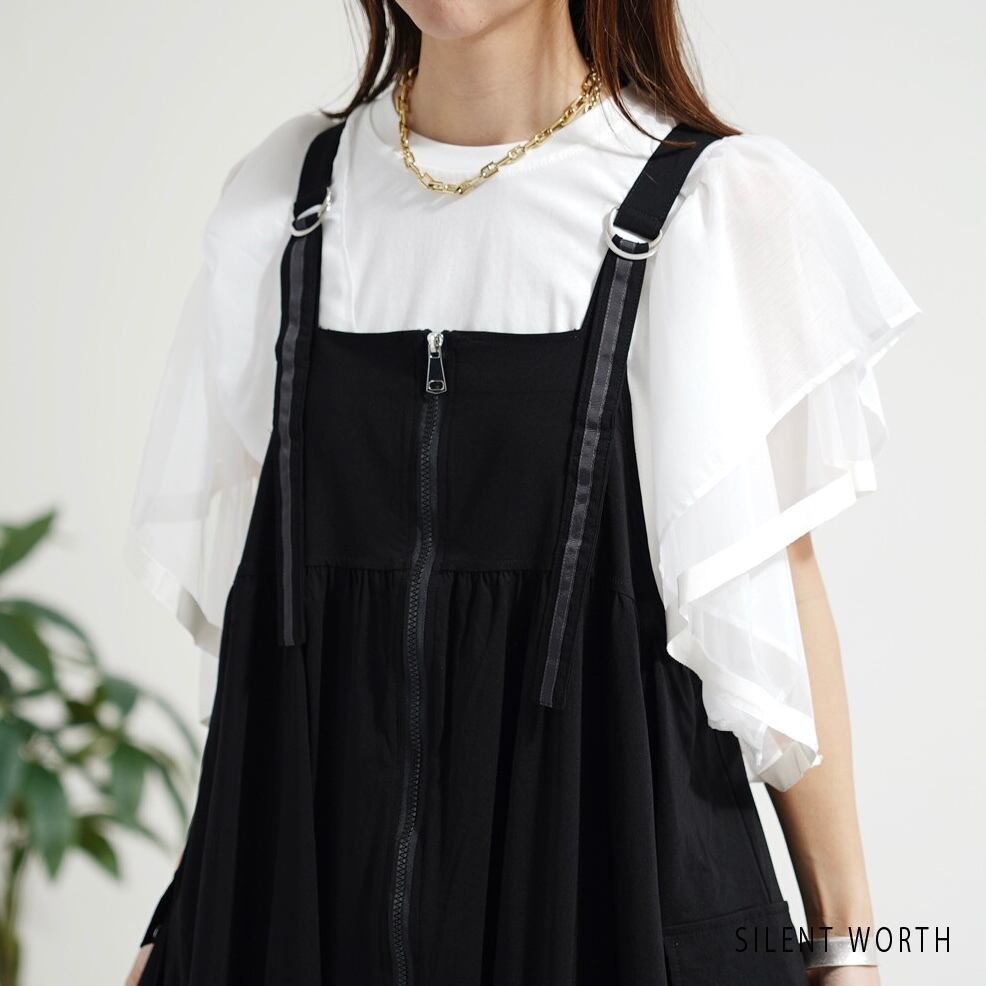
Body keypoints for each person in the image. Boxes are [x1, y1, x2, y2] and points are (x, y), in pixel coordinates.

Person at [123, 1, 921, 984]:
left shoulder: (707, 207)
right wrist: (189, 905)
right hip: (304, 917)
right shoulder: (285, 201)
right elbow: (264, 650)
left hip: (608, 896)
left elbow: (774, 586)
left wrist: (846, 947)